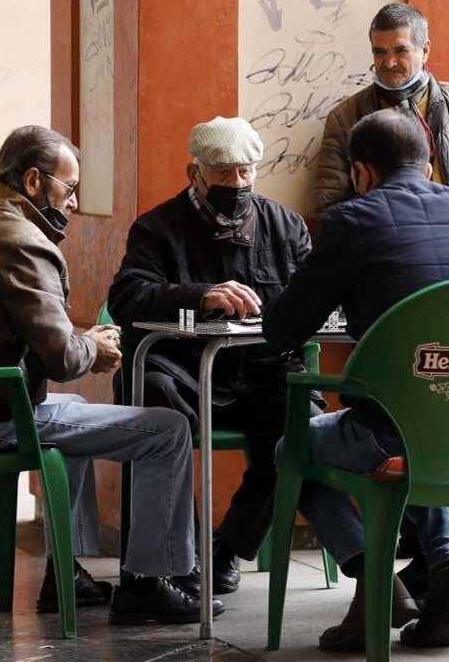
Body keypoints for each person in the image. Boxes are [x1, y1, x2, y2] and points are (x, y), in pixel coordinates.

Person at [0, 125, 223, 625]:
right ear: (34, 180)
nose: (73, 204)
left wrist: (80, 340)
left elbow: (30, 331)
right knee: (169, 430)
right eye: (69, 189)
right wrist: (91, 346)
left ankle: (65, 573)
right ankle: (150, 580)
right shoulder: (21, 241)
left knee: (71, 416)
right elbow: (62, 361)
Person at [264, 109, 449, 651]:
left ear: (361, 172)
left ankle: (373, 575)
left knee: (293, 448)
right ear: (432, 163)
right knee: (422, 418)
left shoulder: (354, 220)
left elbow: (282, 331)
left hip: (392, 431)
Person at [108, 116, 317, 596]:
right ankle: (176, 555)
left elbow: (316, 296)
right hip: (184, 372)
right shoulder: (157, 228)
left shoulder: (286, 227)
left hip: (264, 374)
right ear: (194, 173)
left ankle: (228, 547)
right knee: (148, 394)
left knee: (303, 422)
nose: (236, 184)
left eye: (245, 172)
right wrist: (201, 295)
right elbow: (127, 298)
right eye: (222, 174)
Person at [312, 2, 449, 214]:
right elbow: (330, 206)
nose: (389, 63)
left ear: (425, 50)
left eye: (401, 50)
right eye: (380, 52)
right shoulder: (345, 117)